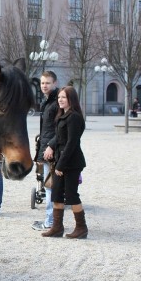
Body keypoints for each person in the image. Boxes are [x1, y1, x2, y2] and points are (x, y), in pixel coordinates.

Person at [42, 86, 88, 239]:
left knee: (71, 195)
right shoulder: (63, 115)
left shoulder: (74, 117)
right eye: (59, 97)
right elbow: (59, 137)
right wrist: (51, 145)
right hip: (61, 161)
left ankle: (81, 228)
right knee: (56, 194)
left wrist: (60, 165)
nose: (60, 100)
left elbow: (71, 143)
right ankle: (57, 228)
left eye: (64, 97)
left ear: (71, 100)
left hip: (71, 162)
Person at [32, 71, 59, 231]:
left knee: (49, 186)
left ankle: (50, 221)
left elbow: (60, 128)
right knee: (49, 185)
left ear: (54, 83)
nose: (44, 86)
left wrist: (51, 146)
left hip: (52, 150)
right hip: (46, 147)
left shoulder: (56, 102)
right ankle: (51, 220)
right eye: (42, 83)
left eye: (47, 83)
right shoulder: (47, 101)